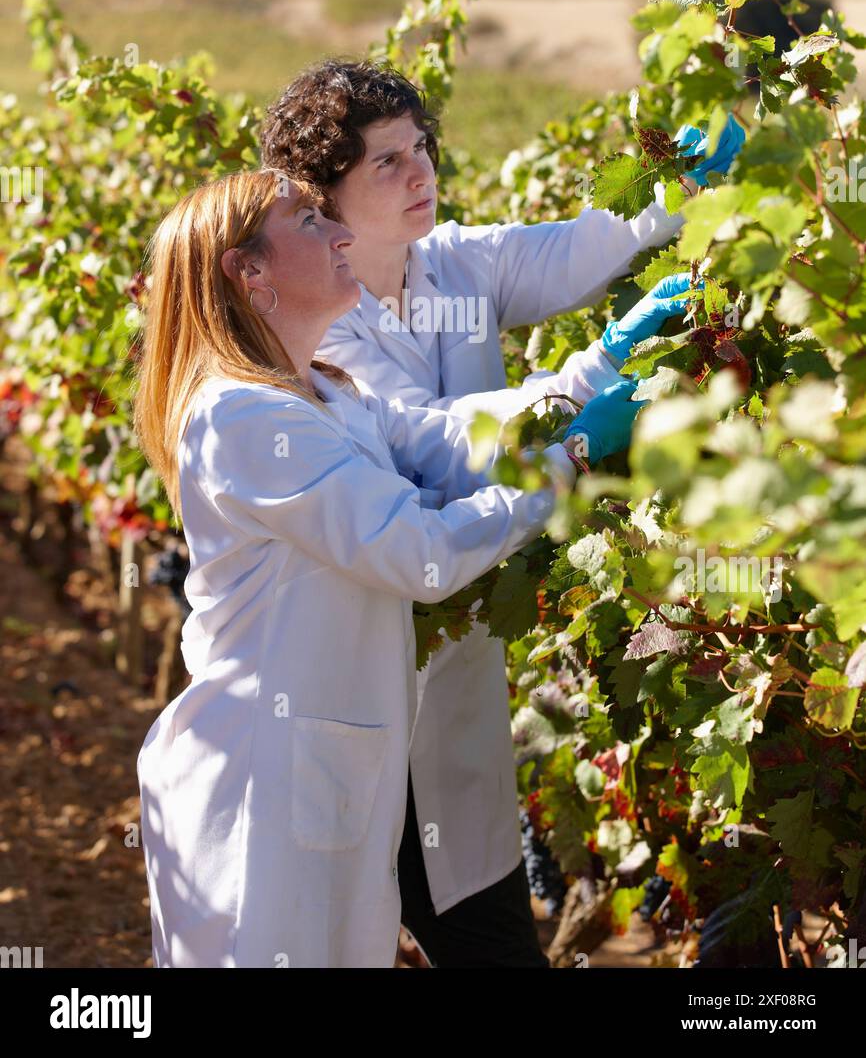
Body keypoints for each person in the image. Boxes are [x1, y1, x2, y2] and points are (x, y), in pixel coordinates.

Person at [258, 59, 744, 966]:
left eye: (422, 149)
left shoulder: (453, 262)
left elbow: (579, 247)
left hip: (458, 658)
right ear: (322, 196)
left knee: (478, 921)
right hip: (364, 669)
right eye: (386, 162)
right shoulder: (322, 325)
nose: (420, 173)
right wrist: (594, 380)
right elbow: (430, 440)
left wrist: (681, 185)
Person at [132, 168, 653, 968]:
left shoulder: (326, 393)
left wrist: (594, 374)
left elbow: (444, 444)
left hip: (323, 774)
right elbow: (422, 551)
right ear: (249, 270)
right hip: (259, 786)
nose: (341, 234)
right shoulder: (241, 416)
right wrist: (573, 460)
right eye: (309, 222)